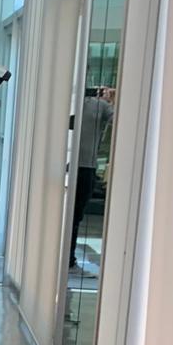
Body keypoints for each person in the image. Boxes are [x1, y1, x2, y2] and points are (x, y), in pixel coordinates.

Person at [70, 86, 116, 271]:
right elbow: (120, 121)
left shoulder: (71, 102)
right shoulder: (98, 105)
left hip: (74, 164)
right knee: (75, 216)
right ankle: (68, 260)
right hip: (84, 166)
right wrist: (113, 101)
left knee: (71, 216)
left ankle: (66, 259)